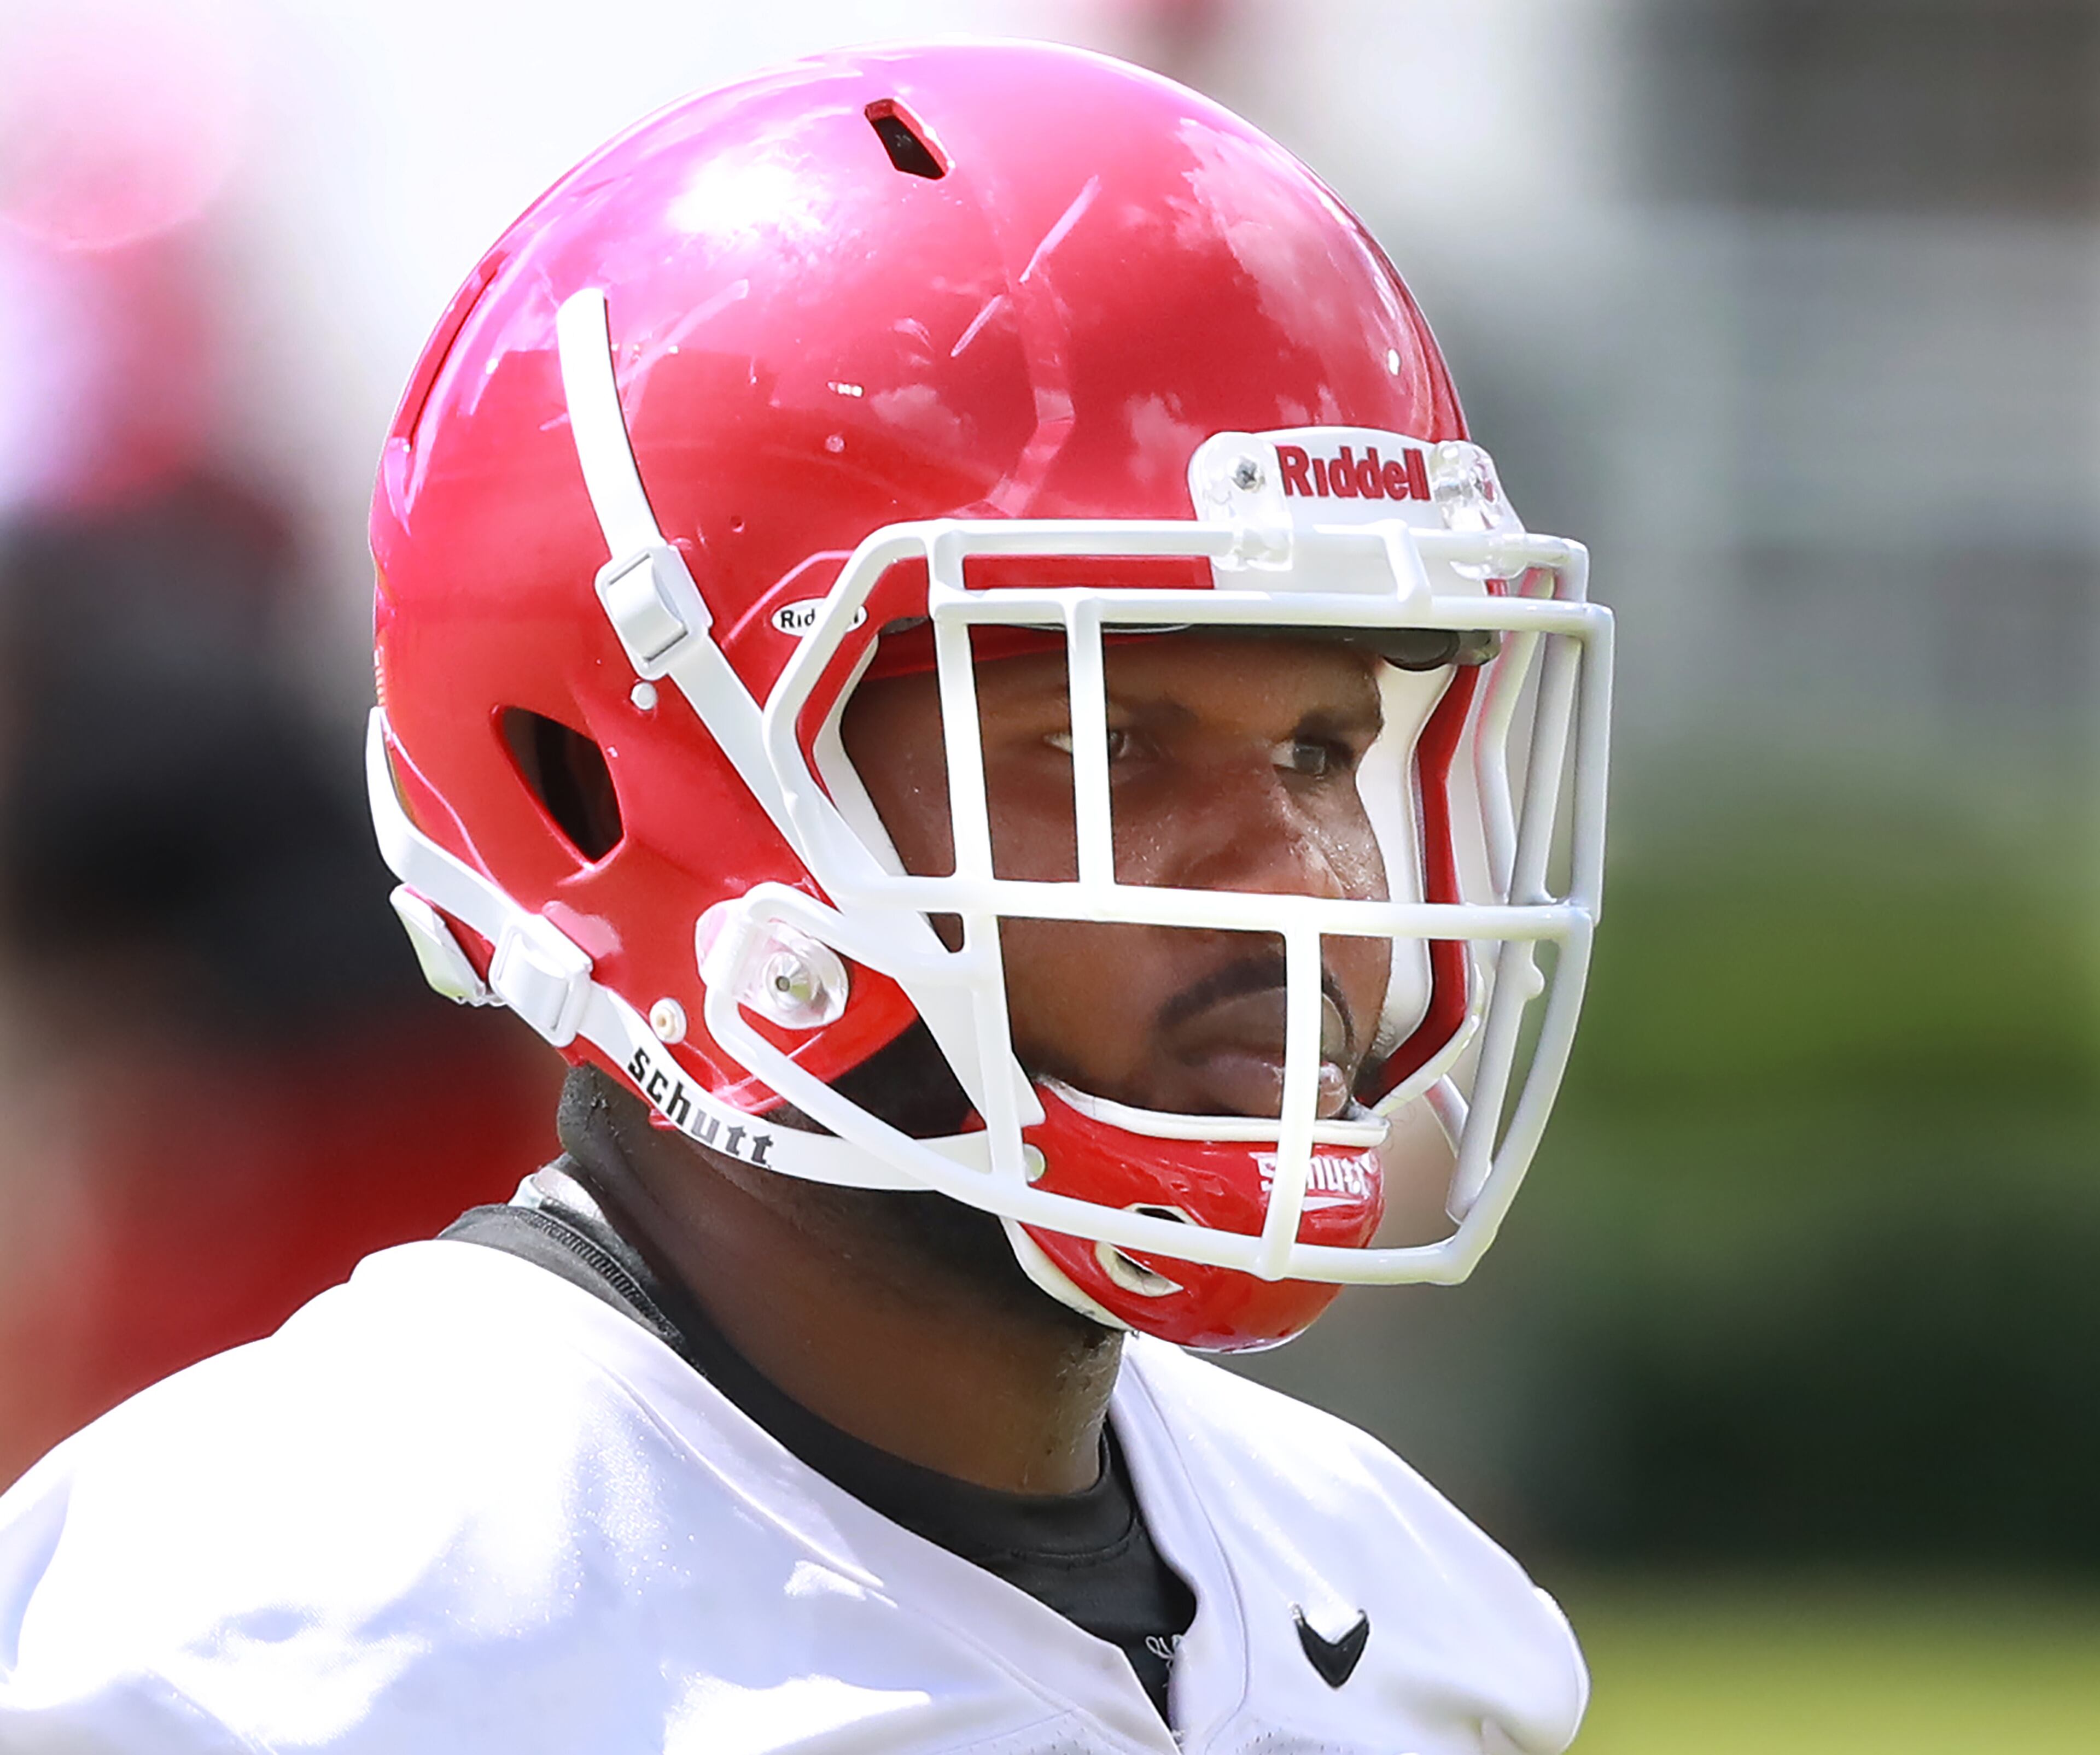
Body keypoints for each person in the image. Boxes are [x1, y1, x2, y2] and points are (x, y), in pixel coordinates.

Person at [0, 40, 1612, 1754]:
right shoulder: (254, 1654)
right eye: (1112, 740)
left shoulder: (1414, 1608)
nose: (1294, 875)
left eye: (1319, 747)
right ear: (607, 787)